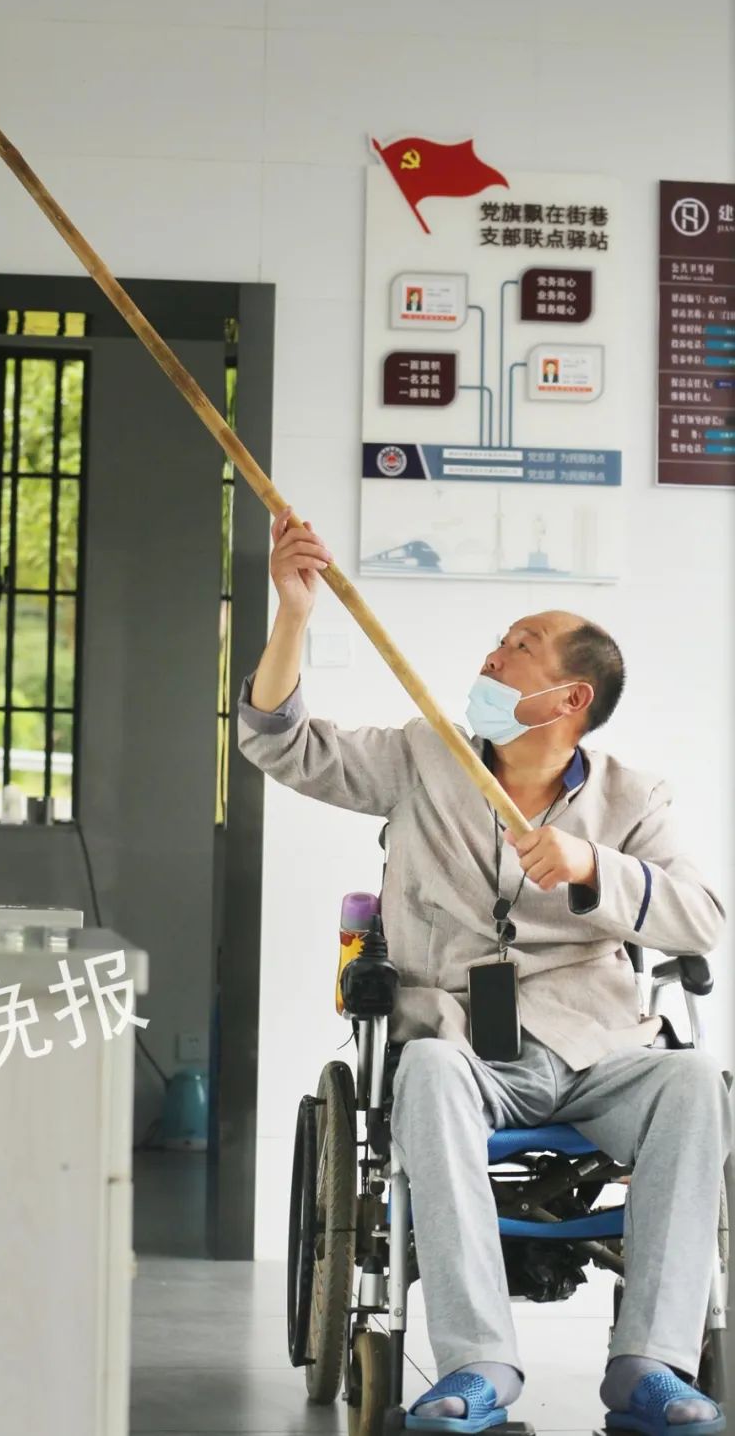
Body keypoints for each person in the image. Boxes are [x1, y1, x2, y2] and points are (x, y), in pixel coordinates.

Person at [237, 507, 731, 1436]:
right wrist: (293, 613)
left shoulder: (633, 799)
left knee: (697, 1081)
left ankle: (650, 1365)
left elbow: (701, 918)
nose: (491, 658)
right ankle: (478, 1366)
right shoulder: (424, 757)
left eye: (518, 648)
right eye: (498, 642)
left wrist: (592, 868)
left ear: (570, 697)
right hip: (464, 1046)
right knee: (423, 1068)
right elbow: (280, 745)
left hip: (596, 1046)